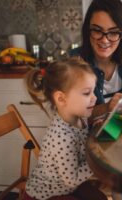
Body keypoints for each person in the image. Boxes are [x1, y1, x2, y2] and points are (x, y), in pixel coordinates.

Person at [23, 58, 107, 200]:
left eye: (93, 91)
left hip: (66, 187)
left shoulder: (81, 118)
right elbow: (72, 179)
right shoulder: (61, 138)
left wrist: (97, 127)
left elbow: (82, 142)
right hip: (46, 195)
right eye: (87, 93)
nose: (94, 98)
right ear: (61, 99)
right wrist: (98, 159)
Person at [70, 0, 122, 118]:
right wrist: (107, 107)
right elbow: (74, 113)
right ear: (87, 30)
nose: (105, 40)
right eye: (97, 30)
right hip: (90, 135)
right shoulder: (75, 62)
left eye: (114, 32)